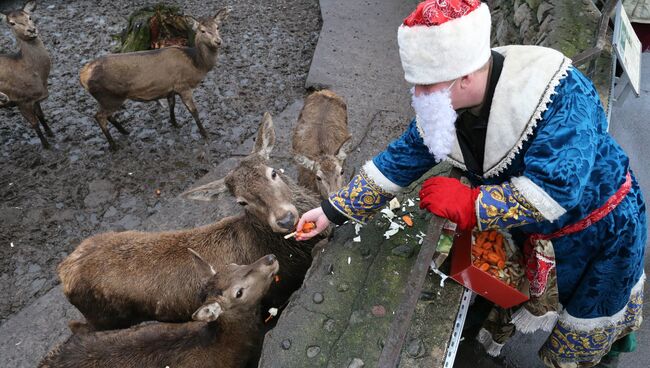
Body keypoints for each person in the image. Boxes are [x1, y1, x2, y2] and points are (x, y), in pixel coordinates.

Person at [296, 0, 646, 367]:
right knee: (544, 297)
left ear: (464, 77)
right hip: (543, 232)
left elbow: (558, 189)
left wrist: (470, 203)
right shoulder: (450, 97)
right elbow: (404, 156)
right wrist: (332, 210)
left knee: (593, 317)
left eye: (425, 87)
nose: (417, 97)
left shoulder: (558, 93)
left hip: (603, 230)